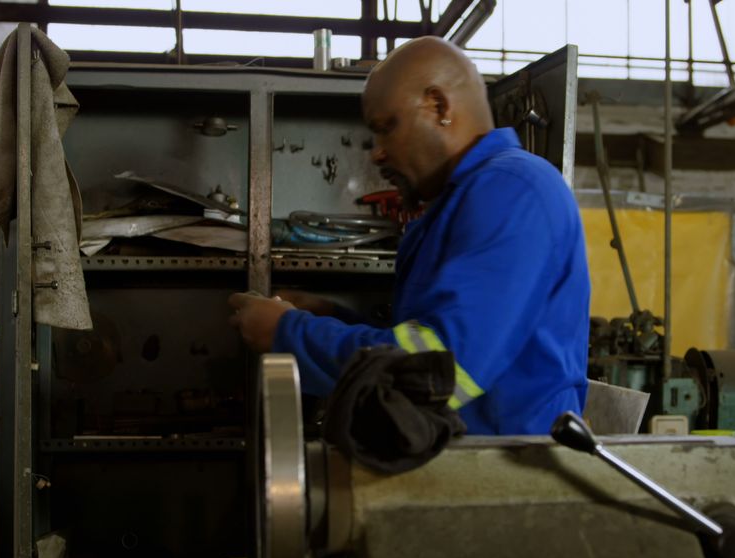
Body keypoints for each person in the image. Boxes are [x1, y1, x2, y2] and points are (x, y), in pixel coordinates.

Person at [229, 36, 590, 435]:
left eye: (387, 128)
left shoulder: (512, 189)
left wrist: (288, 334)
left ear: (439, 106)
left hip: (504, 464)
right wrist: (329, 316)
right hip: (467, 458)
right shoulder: (460, 202)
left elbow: (441, 372)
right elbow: (426, 341)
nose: (376, 153)